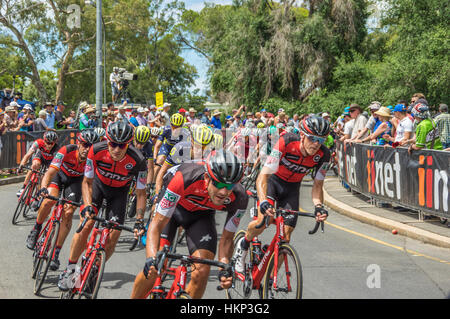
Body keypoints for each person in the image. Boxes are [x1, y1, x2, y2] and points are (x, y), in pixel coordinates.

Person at [130, 150, 248, 299]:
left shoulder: (240, 198)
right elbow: (156, 225)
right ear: (206, 178)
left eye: (229, 186)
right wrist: (151, 258)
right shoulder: (184, 179)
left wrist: (224, 266)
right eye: (218, 184)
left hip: (201, 216)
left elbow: (227, 239)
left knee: (202, 271)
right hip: (173, 210)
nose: (224, 191)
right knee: (156, 267)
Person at [232, 115, 330, 274]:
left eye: (321, 140)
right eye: (312, 138)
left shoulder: (324, 155)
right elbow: (263, 176)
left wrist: (319, 206)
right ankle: (243, 245)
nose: (316, 144)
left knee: (285, 237)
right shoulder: (287, 141)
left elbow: (318, 185)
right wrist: (264, 202)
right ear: (303, 135)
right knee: (264, 220)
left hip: (291, 189)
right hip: (272, 182)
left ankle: (271, 280)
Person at [57, 121, 148, 291]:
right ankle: (70, 270)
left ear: (128, 144)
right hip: (97, 187)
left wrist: (139, 220)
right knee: (86, 224)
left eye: (122, 145)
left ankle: (94, 269)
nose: (117, 149)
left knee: (113, 236)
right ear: (107, 141)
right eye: (113, 144)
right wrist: (87, 205)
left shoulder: (139, 160)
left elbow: (141, 193)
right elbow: (86, 182)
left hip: (119, 194)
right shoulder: (96, 150)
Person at [25, 130, 101, 271]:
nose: (87, 148)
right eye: (85, 144)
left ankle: (56, 252)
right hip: (59, 176)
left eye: (92, 146)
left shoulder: (94, 159)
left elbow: (91, 184)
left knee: (69, 212)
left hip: (76, 182)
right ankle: (36, 228)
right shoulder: (66, 150)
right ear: (78, 142)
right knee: (49, 200)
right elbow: (50, 172)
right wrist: (42, 188)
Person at [153, 125, 214, 198]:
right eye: (198, 145)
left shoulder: (211, 156)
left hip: (192, 191)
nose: (200, 150)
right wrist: (157, 193)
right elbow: (162, 171)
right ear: (191, 140)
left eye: (204, 147)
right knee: (156, 206)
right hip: (173, 185)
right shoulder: (179, 149)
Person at [17, 131, 60, 197]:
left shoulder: (57, 149)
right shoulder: (38, 142)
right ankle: (23, 187)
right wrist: (21, 166)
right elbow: (28, 154)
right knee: (34, 166)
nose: (49, 145)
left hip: (50, 161)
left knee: (45, 176)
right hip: (41, 157)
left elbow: (55, 165)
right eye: (48, 143)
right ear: (44, 140)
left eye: (52, 143)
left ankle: (39, 193)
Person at [152, 113, 190, 181]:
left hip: (177, 151)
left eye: (178, 127)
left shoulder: (186, 133)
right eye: (173, 126)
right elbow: (157, 146)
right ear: (170, 124)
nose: (175, 129)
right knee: (160, 160)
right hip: (167, 148)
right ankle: (151, 184)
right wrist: (154, 159)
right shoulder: (166, 130)